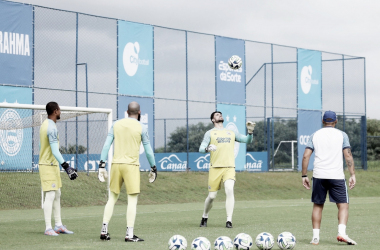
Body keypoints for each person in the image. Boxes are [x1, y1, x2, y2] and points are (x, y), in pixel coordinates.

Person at [98, 101, 157, 242]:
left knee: (112, 198)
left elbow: (106, 145)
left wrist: (101, 164)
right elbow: (148, 150)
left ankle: (104, 230)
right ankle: (129, 234)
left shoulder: (116, 124)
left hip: (116, 165)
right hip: (131, 166)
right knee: (132, 200)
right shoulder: (142, 127)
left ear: (126, 112)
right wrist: (153, 167)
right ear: (139, 112)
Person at [302, 110, 357, 245]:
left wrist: (304, 175)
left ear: (323, 121)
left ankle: (315, 238)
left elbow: (306, 156)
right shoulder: (342, 135)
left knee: (318, 205)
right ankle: (342, 233)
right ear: (336, 121)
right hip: (336, 176)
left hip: (319, 176)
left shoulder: (315, 135)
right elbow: (348, 156)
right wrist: (352, 174)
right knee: (343, 205)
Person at [198, 111, 255, 228]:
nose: (220, 115)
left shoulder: (231, 132)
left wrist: (250, 132)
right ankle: (205, 216)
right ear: (213, 120)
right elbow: (201, 149)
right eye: (217, 115)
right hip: (215, 168)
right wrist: (208, 148)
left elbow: (247, 140)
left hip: (229, 167)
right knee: (212, 197)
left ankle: (229, 220)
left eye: (220, 114)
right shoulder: (210, 133)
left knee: (229, 189)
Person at [39, 102, 78, 236]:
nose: (60, 112)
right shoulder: (51, 128)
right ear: (55, 111)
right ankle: (48, 227)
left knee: (57, 194)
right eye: (59, 110)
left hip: (52, 165)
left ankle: (58, 225)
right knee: (50, 195)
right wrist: (67, 167)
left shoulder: (46, 124)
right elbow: (55, 151)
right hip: (47, 165)